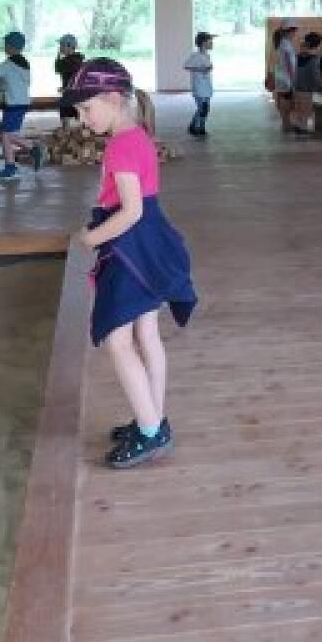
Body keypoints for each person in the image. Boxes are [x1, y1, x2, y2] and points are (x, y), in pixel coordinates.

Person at [65, 58, 198, 469]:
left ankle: (150, 430)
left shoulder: (120, 145)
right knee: (147, 335)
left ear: (112, 98)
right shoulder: (138, 135)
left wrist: (89, 238)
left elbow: (131, 211)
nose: (83, 119)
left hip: (130, 248)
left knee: (118, 341)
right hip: (149, 243)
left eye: (87, 109)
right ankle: (151, 417)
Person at [0, 30, 41, 185]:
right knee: (5, 135)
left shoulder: (8, 65)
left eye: (6, 44)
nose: (4, 47)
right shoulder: (23, 63)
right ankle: (12, 165)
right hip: (20, 103)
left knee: (6, 135)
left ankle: (31, 151)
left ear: (11, 47)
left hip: (14, 104)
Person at [182, 31, 215, 137]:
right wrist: (201, 69)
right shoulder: (196, 56)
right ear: (204, 43)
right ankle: (196, 127)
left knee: (205, 108)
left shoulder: (206, 55)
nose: (212, 44)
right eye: (210, 42)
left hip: (206, 86)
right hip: (199, 87)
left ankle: (199, 127)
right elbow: (186, 66)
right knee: (203, 108)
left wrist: (207, 69)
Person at [291, 31, 322, 135]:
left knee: (299, 108)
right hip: (307, 88)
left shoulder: (297, 56)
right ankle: (303, 128)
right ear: (316, 45)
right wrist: (319, 87)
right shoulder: (314, 59)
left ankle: (299, 125)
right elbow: (315, 75)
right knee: (306, 109)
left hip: (296, 86)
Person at [272, 22, 298, 133]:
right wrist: (293, 78)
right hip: (286, 77)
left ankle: (286, 124)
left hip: (283, 76)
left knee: (285, 101)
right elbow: (289, 63)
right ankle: (286, 124)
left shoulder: (283, 43)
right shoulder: (285, 44)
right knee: (287, 102)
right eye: (294, 31)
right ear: (289, 31)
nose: (295, 34)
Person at [55, 33, 84, 124]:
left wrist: (58, 56)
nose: (60, 47)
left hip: (72, 95)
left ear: (69, 46)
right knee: (72, 116)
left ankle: (67, 129)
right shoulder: (76, 59)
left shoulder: (71, 61)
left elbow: (58, 68)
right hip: (73, 94)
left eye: (61, 45)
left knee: (67, 115)